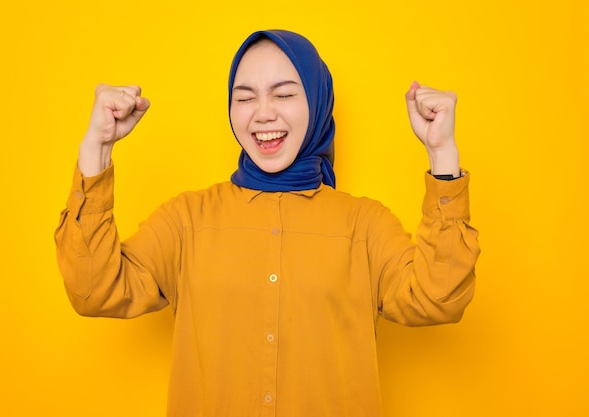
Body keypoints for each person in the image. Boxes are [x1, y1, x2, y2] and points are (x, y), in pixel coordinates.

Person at [55, 29, 480, 417]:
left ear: (316, 101)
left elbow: (438, 297)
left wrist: (442, 155)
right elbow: (96, 290)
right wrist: (98, 147)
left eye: (283, 94)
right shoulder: (187, 220)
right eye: (245, 97)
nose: (262, 114)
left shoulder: (364, 225)